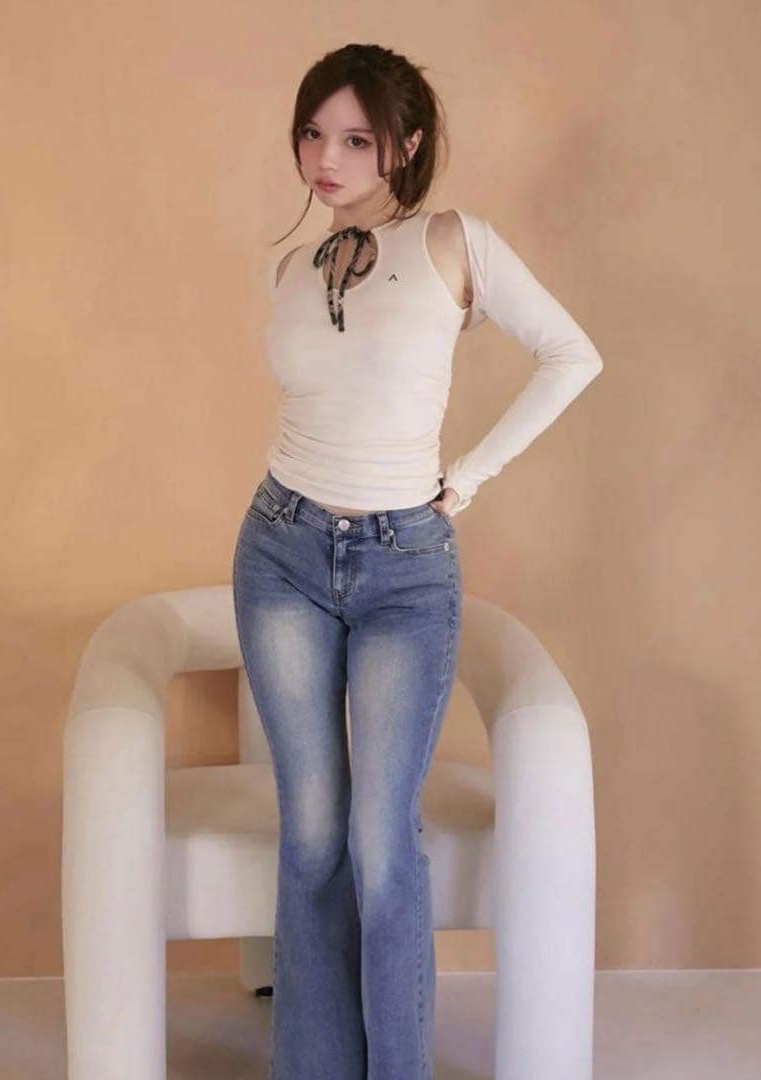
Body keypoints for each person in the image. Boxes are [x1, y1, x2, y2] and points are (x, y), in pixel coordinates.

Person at [232, 42, 604, 1080]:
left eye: (356, 139)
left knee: (381, 840)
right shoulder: (287, 269)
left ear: (406, 144)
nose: (326, 158)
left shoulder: (453, 241)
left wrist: (468, 476)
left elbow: (571, 355)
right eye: (313, 134)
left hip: (404, 567)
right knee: (311, 836)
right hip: (281, 552)